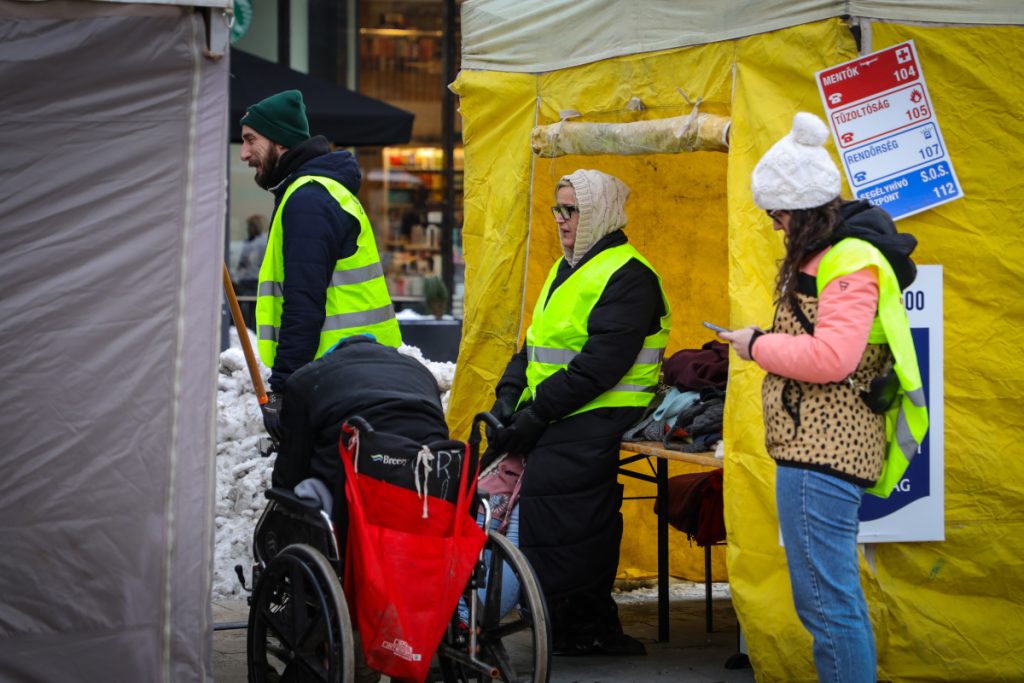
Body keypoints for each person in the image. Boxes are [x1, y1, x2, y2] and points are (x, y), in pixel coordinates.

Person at [719, 112, 928, 683]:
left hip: (825, 451)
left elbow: (833, 358)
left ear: (805, 210)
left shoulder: (849, 260)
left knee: (829, 606)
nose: (776, 227)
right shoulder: (838, 254)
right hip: (817, 448)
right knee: (828, 601)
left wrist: (757, 344)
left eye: (778, 215)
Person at [490, 169, 672, 656]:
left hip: (608, 408)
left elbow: (599, 368)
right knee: (492, 467)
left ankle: (582, 622)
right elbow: (533, 346)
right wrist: (508, 397)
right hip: (565, 405)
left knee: (558, 488)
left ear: (600, 214)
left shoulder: (629, 275)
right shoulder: (565, 267)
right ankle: (551, 611)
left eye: (572, 210)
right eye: (558, 209)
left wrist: (537, 415)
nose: (561, 220)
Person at [239, 89, 402, 444]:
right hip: (358, 371)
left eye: (251, 140)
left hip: (340, 380)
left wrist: (284, 389)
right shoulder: (316, 192)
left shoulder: (308, 200)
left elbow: (303, 304)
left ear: (280, 141)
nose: (244, 154)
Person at [233, 214, 268, 331]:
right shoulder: (261, 242)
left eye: (249, 227)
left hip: (251, 286)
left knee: (249, 321)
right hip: (252, 286)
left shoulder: (256, 244)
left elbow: (244, 266)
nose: (247, 230)